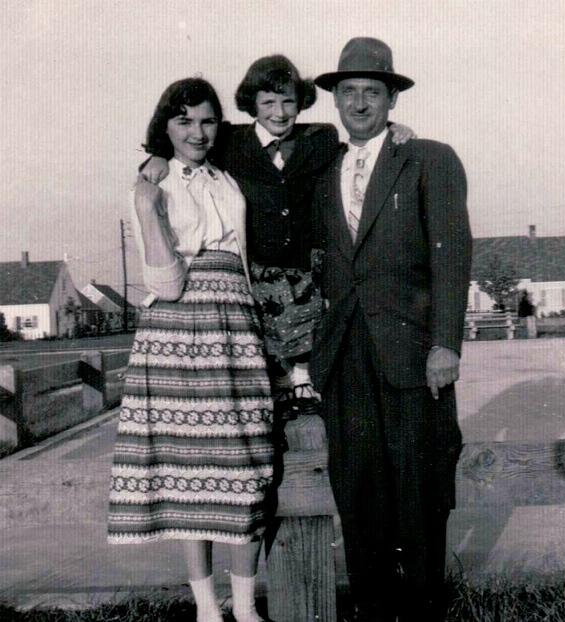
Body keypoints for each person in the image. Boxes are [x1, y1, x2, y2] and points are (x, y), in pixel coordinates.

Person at [141, 55, 413, 418]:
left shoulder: (320, 137)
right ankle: (280, 391)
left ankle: (303, 384)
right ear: (251, 104)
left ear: (301, 103)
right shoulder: (229, 141)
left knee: (309, 334)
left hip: (306, 263)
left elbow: (358, 147)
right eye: (268, 102)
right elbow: (188, 144)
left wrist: (393, 129)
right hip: (260, 265)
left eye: (288, 101)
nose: (280, 112)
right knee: (268, 339)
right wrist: (154, 157)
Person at [311, 38, 473, 621]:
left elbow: (452, 256)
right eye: (347, 92)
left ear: (391, 99)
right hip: (343, 357)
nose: (358, 103)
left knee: (419, 486)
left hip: (412, 354)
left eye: (371, 92)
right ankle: (374, 609)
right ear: (333, 100)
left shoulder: (428, 157)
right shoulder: (321, 164)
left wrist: (445, 343)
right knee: (357, 490)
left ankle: (426, 606)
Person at [107, 78, 272, 622]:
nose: (197, 133)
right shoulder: (151, 186)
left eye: (207, 121)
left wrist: (397, 132)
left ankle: (245, 610)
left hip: (234, 332)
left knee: (242, 474)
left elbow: (293, 128)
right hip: (177, 335)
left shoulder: (228, 176)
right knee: (189, 479)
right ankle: (207, 611)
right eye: (184, 122)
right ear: (166, 127)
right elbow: (167, 283)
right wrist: (145, 203)